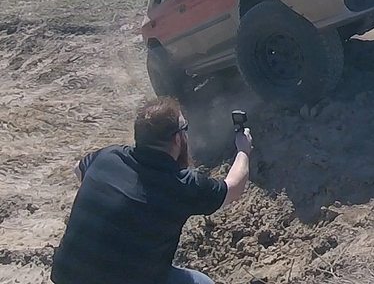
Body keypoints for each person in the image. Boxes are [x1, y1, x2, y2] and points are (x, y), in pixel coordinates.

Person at [50, 97, 253, 284]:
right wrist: (243, 150)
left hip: (66, 275)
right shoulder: (180, 184)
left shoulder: (107, 156)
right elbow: (233, 188)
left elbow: (78, 169)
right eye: (185, 129)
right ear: (177, 139)